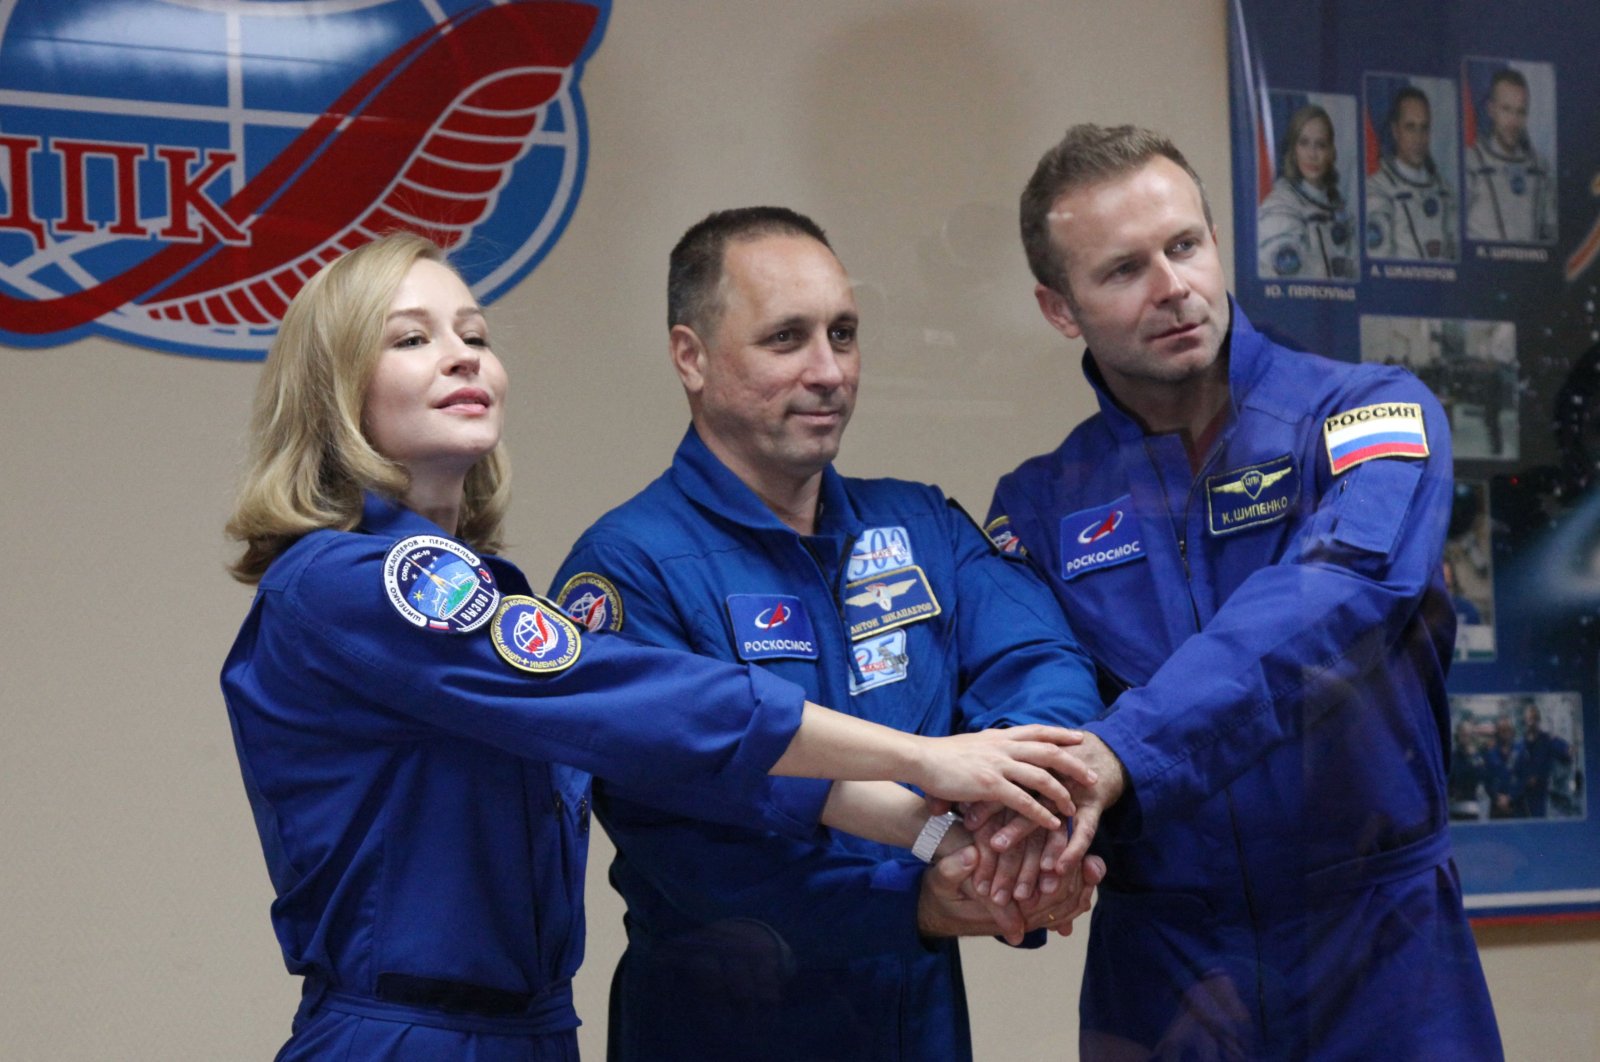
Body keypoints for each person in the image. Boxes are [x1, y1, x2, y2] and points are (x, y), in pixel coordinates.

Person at [219, 232, 1097, 1061]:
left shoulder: (478, 589)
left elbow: (689, 752)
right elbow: (659, 706)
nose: (463, 355)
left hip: (530, 1028)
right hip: (409, 1035)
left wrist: (943, 839)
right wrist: (926, 761)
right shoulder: (351, 584)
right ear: (335, 387)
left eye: (475, 335)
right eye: (410, 339)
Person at [989, 124, 1502, 1059]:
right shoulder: (1037, 506)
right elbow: (1035, 691)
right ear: (1060, 309)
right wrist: (1041, 835)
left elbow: (1338, 595)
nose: (1173, 286)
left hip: (1380, 949)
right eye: (1123, 270)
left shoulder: (1367, 412)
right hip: (1167, 969)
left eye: (1186, 245)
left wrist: (1122, 754)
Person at [549, 207, 1107, 1061]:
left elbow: (1039, 663)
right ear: (689, 356)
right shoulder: (630, 569)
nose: (828, 371)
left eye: (843, 334)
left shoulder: (919, 524)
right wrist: (912, 900)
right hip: (724, 1028)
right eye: (786, 339)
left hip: (911, 1024)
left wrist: (1016, 828)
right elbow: (684, 830)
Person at [1257, 104, 1356, 280]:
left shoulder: (1338, 205)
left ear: (1331, 152)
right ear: (1293, 150)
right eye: (1304, 143)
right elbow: (1289, 278)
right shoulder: (1279, 206)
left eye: (1321, 145)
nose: (1312, 154)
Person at [1366, 86, 1458, 261]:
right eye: (1410, 127)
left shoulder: (1445, 191)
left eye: (1424, 128)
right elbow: (1379, 261)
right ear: (1395, 131)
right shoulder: (1376, 189)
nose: (1418, 138)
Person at [1466, 68, 1556, 244]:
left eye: (1520, 112)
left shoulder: (1541, 167)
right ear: (1491, 110)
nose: (1513, 121)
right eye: (1506, 109)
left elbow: (1551, 233)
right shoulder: (1470, 162)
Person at [1512, 700, 1573, 817]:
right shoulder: (1519, 745)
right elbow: (1514, 770)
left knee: (1539, 823)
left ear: (1539, 720)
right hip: (1521, 794)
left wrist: (1568, 750)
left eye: (1535, 718)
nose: (1532, 722)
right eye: (1529, 719)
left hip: (1540, 794)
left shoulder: (1547, 740)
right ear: (1525, 720)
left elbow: (1567, 752)